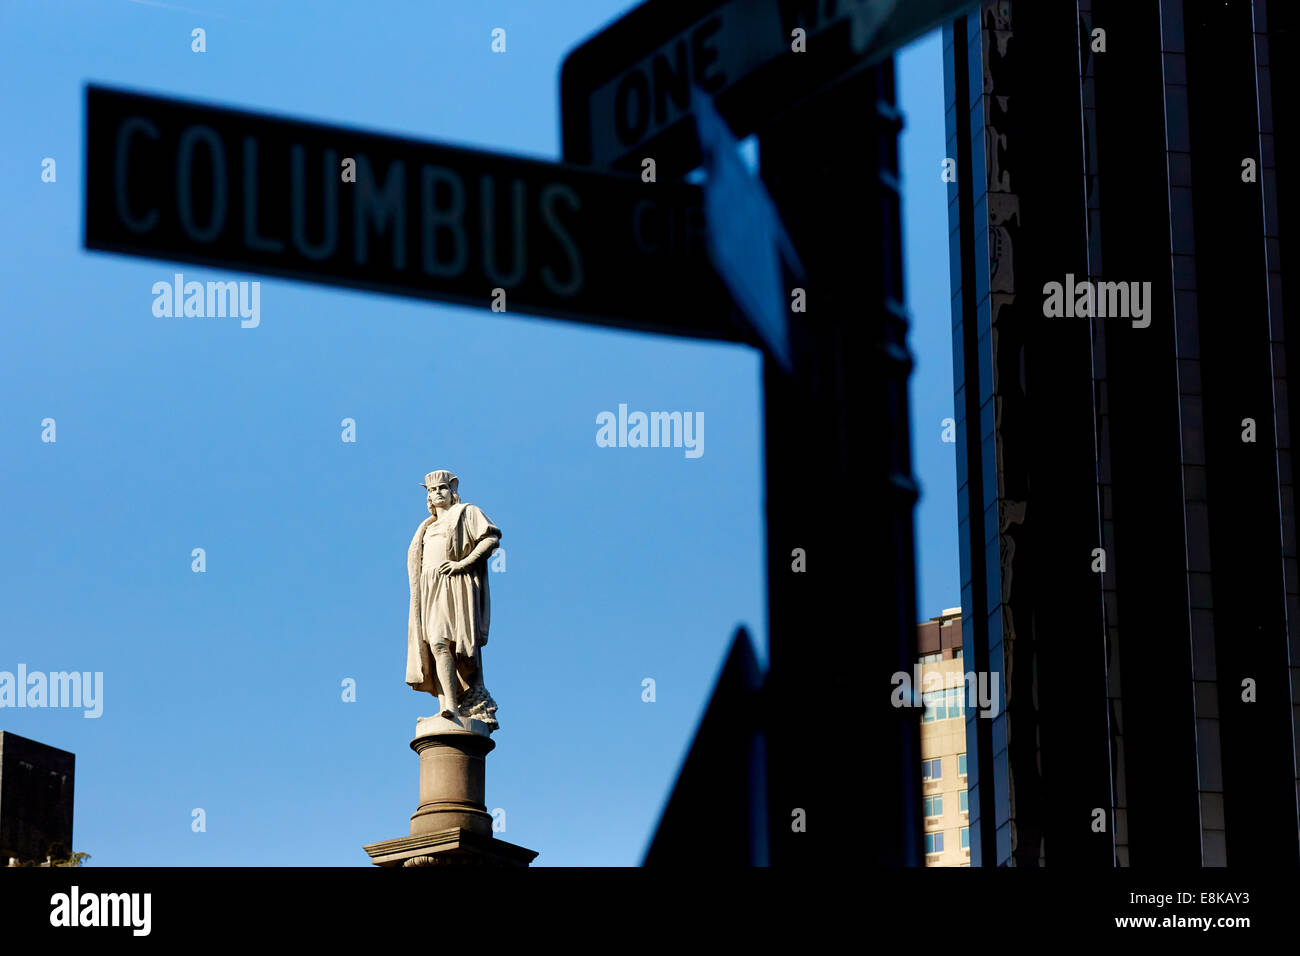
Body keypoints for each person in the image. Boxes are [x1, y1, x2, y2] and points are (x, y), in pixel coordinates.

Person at [404, 470, 500, 730]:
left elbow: (491, 538)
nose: (436, 494)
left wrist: (463, 564)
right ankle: (447, 705)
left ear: (452, 490)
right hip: (429, 587)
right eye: (431, 491)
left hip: (455, 584)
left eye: (441, 489)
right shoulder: (426, 527)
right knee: (434, 644)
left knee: (447, 642)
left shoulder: (466, 512)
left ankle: (455, 705)